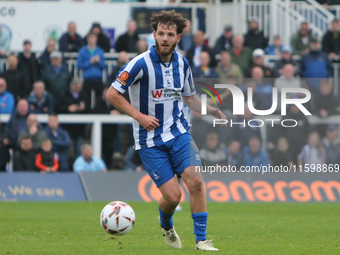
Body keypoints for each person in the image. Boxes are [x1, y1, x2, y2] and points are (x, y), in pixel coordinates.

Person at [106, 10, 223, 251]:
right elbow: (112, 94)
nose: (165, 38)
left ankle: (201, 240)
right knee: (173, 197)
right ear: (154, 35)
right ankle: (166, 224)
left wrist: (210, 108)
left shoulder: (183, 63)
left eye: (170, 34)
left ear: (178, 37)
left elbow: (189, 98)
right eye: (161, 34)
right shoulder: (139, 63)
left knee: (197, 183)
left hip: (179, 133)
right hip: (149, 140)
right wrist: (139, 116)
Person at [55, 77, 89, 158]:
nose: (77, 89)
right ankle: (64, 169)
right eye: (76, 87)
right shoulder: (63, 94)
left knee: (78, 150)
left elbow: (88, 108)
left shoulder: (83, 94)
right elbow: (57, 107)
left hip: (79, 128)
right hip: (66, 127)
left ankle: (77, 168)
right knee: (65, 149)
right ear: (71, 85)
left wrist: (83, 108)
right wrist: (68, 108)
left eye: (79, 87)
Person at [92, 86, 119, 170]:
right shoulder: (99, 100)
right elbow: (95, 111)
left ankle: (108, 168)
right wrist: (109, 113)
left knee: (109, 152)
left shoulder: (116, 100)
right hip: (101, 132)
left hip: (111, 133)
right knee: (100, 151)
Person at [78, 33, 105, 103]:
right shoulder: (82, 51)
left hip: (98, 78)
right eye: (90, 38)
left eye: (93, 38)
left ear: (96, 39)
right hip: (87, 78)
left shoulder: (100, 51)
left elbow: (103, 66)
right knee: (86, 99)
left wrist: (99, 61)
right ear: (87, 39)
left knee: (99, 99)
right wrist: (89, 62)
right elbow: (79, 65)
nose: (91, 40)